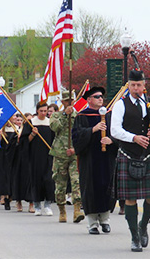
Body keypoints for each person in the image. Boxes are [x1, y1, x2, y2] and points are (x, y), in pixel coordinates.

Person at [110, 69, 150, 252]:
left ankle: (143, 225)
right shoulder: (121, 105)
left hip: (148, 155)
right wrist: (134, 137)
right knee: (130, 198)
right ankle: (134, 237)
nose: (136, 88)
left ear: (144, 85)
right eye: (132, 85)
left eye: (139, 85)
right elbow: (114, 130)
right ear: (128, 86)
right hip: (128, 154)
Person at [72, 87, 117, 234]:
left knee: (107, 187)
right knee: (91, 188)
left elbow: (118, 133)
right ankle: (92, 223)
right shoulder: (82, 116)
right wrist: (92, 130)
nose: (100, 98)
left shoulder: (110, 116)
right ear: (89, 99)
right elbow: (77, 138)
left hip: (107, 159)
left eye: (101, 96)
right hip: (89, 159)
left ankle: (105, 220)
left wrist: (111, 140)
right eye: (96, 96)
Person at [50, 90, 84, 223]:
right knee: (60, 184)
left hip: (74, 154)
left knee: (76, 182)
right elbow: (55, 127)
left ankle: (77, 210)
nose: (69, 103)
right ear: (62, 102)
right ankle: (62, 210)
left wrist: (76, 149)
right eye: (66, 100)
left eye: (71, 100)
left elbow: (82, 134)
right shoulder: (56, 115)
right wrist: (65, 115)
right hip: (60, 154)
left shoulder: (79, 116)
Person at [21, 102, 55, 216]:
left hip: (48, 155)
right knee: (36, 180)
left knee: (49, 180)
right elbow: (24, 142)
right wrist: (33, 134)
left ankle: (48, 204)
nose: (44, 113)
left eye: (46, 111)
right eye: (41, 111)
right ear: (37, 111)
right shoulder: (31, 123)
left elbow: (55, 139)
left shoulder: (50, 123)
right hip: (35, 157)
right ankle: (37, 206)